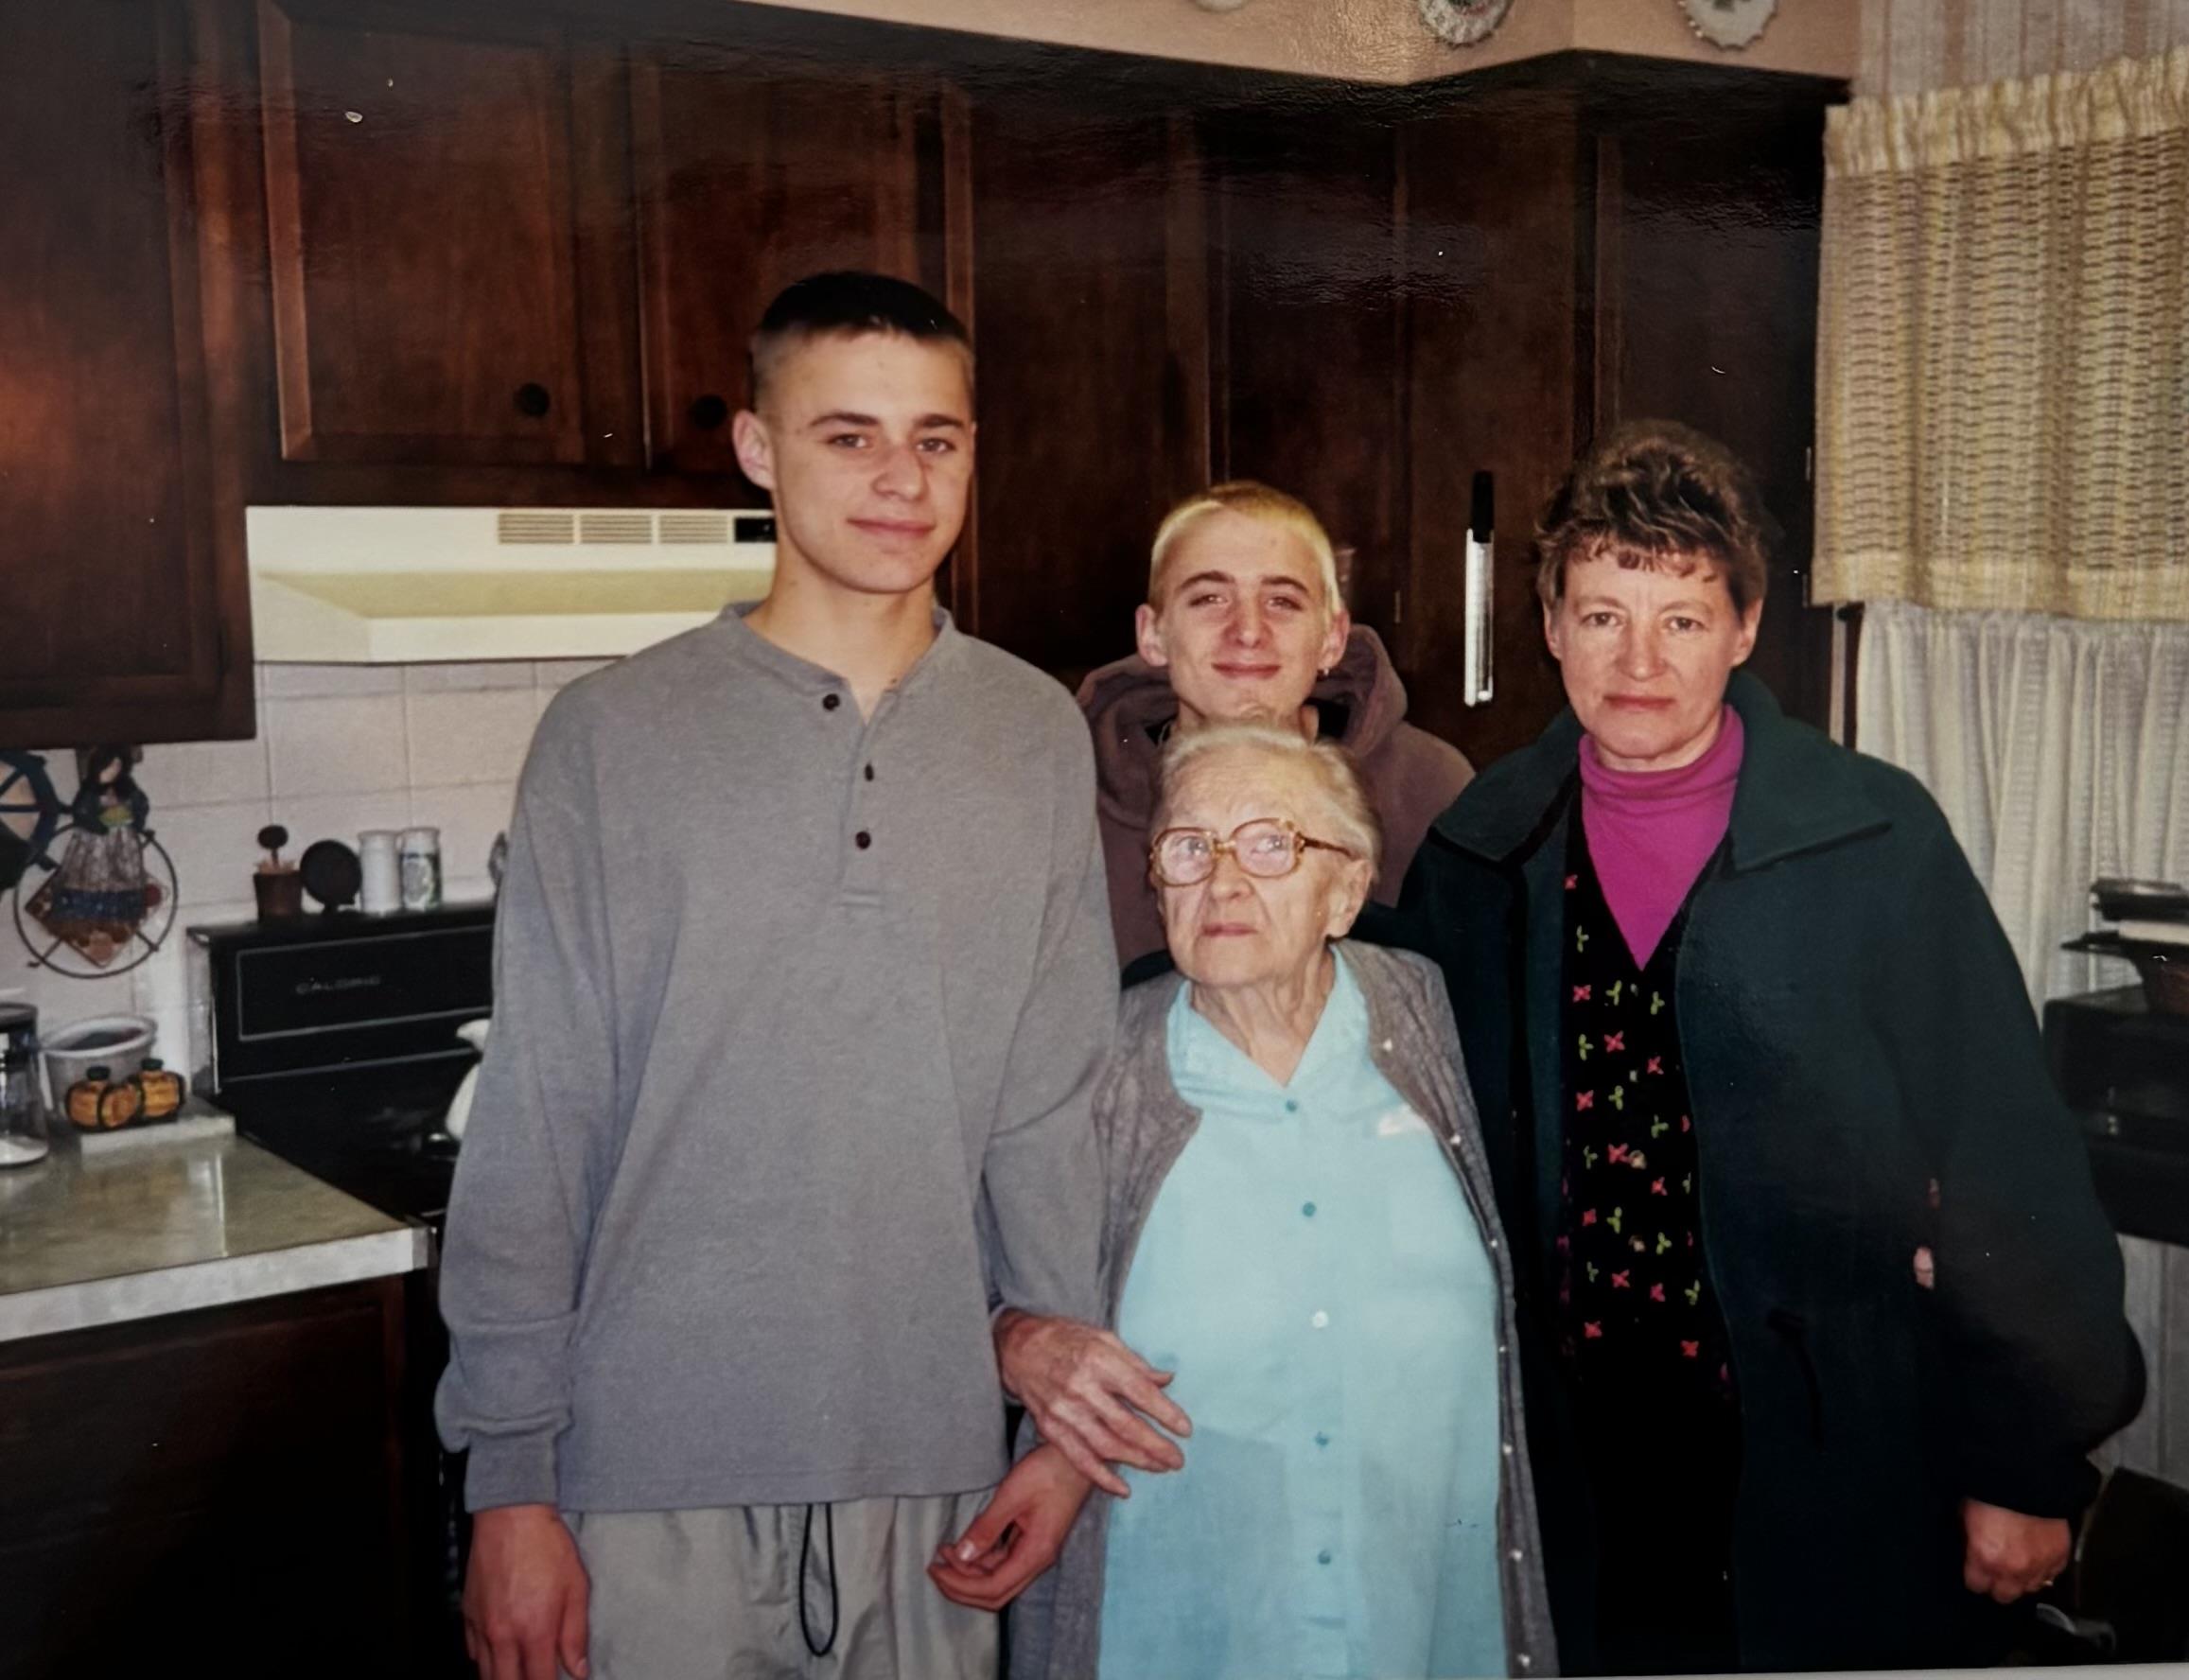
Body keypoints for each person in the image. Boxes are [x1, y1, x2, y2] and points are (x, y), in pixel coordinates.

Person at [436, 271, 1173, 1680]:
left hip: (938, 1467)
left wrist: (1056, 1443)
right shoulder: (611, 737)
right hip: (643, 1476)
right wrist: (509, 1484)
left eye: (938, 439)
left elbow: (1046, 1112)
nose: (901, 480)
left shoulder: (1031, 731)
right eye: (848, 436)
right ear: (760, 450)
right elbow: (539, 1127)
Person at [1396, 420, 2145, 1674]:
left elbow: (2007, 1154)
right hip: (1574, 1464)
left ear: (1744, 630)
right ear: (1547, 624)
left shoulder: (1873, 840)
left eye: (1682, 619)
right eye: (1601, 616)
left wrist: (2026, 1457)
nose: (1639, 659)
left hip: (1829, 1449)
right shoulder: (1482, 851)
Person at [929, 725, 1558, 1680]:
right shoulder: (1090, 1065)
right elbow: (946, 1270)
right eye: (1190, 849)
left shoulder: (1443, 1024)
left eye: (1272, 844)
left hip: (1421, 1611)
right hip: (1177, 1616)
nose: (1223, 883)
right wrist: (1015, 1345)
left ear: (1345, 891)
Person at [1077, 481, 1470, 971]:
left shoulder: (1427, 788)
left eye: (1282, 601)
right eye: (1209, 599)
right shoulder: (1075, 800)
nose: (1247, 630)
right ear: (1152, 634)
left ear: (1332, 637)